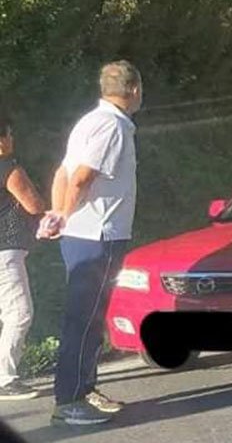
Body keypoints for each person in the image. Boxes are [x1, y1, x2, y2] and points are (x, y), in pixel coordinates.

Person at [45, 61, 142, 426]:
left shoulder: (89, 121)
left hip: (85, 234)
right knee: (84, 320)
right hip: (98, 234)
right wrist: (64, 214)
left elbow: (63, 172)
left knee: (88, 318)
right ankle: (69, 400)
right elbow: (81, 177)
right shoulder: (112, 126)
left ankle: (84, 389)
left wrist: (59, 214)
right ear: (135, 90)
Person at [0, 116, 47, 400]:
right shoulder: (6, 166)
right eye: (9, 135)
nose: (12, 140)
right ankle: (4, 378)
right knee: (19, 313)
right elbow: (34, 203)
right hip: (5, 250)